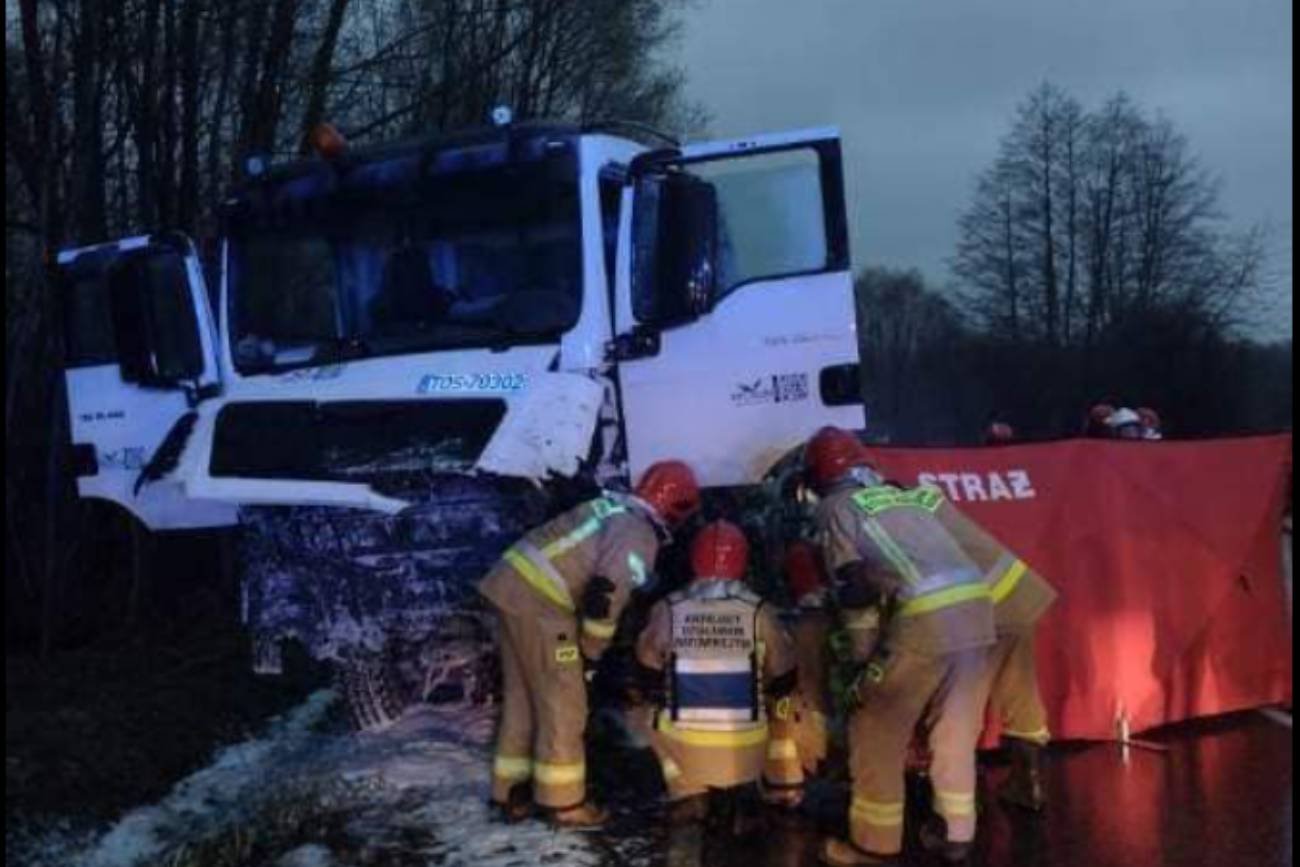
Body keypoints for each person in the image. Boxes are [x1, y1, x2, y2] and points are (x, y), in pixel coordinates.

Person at [805, 426, 996, 866]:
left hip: (928, 616)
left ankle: (874, 846)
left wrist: (862, 656)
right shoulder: (907, 496)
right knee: (954, 728)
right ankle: (956, 833)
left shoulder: (835, 507)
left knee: (875, 727)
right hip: (977, 609)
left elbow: (855, 593)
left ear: (819, 478)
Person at [478, 460, 701, 827]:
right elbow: (605, 597)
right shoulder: (639, 534)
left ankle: (510, 793)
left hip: (510, 589)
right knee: (565, 702)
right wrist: (590, 654)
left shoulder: (610, 507)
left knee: (522, 700)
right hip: (544, 605)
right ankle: (564, 803)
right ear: (677, 508)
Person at [635, 520, 799, 830]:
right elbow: (785, 674)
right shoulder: (759, 610)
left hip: (687, 752)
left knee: (644, 715)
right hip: (748, 749)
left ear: (693, 559)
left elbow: (647, 668)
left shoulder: (668, 608)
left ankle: (687, 792)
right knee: (785, 706)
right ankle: (780, 785)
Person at [929, 498, 1058, 811]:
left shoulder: (878, 522)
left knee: (960, 709)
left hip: (981, 611)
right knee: (1020, 692)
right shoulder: (921, 497)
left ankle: (952, 821)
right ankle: (1030, 784)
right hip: (1020, 595)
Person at [761, 540, 836, 808]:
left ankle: (785, 790)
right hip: (843, 724)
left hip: (803, 734)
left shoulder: (790, 624)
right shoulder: (840, 617)